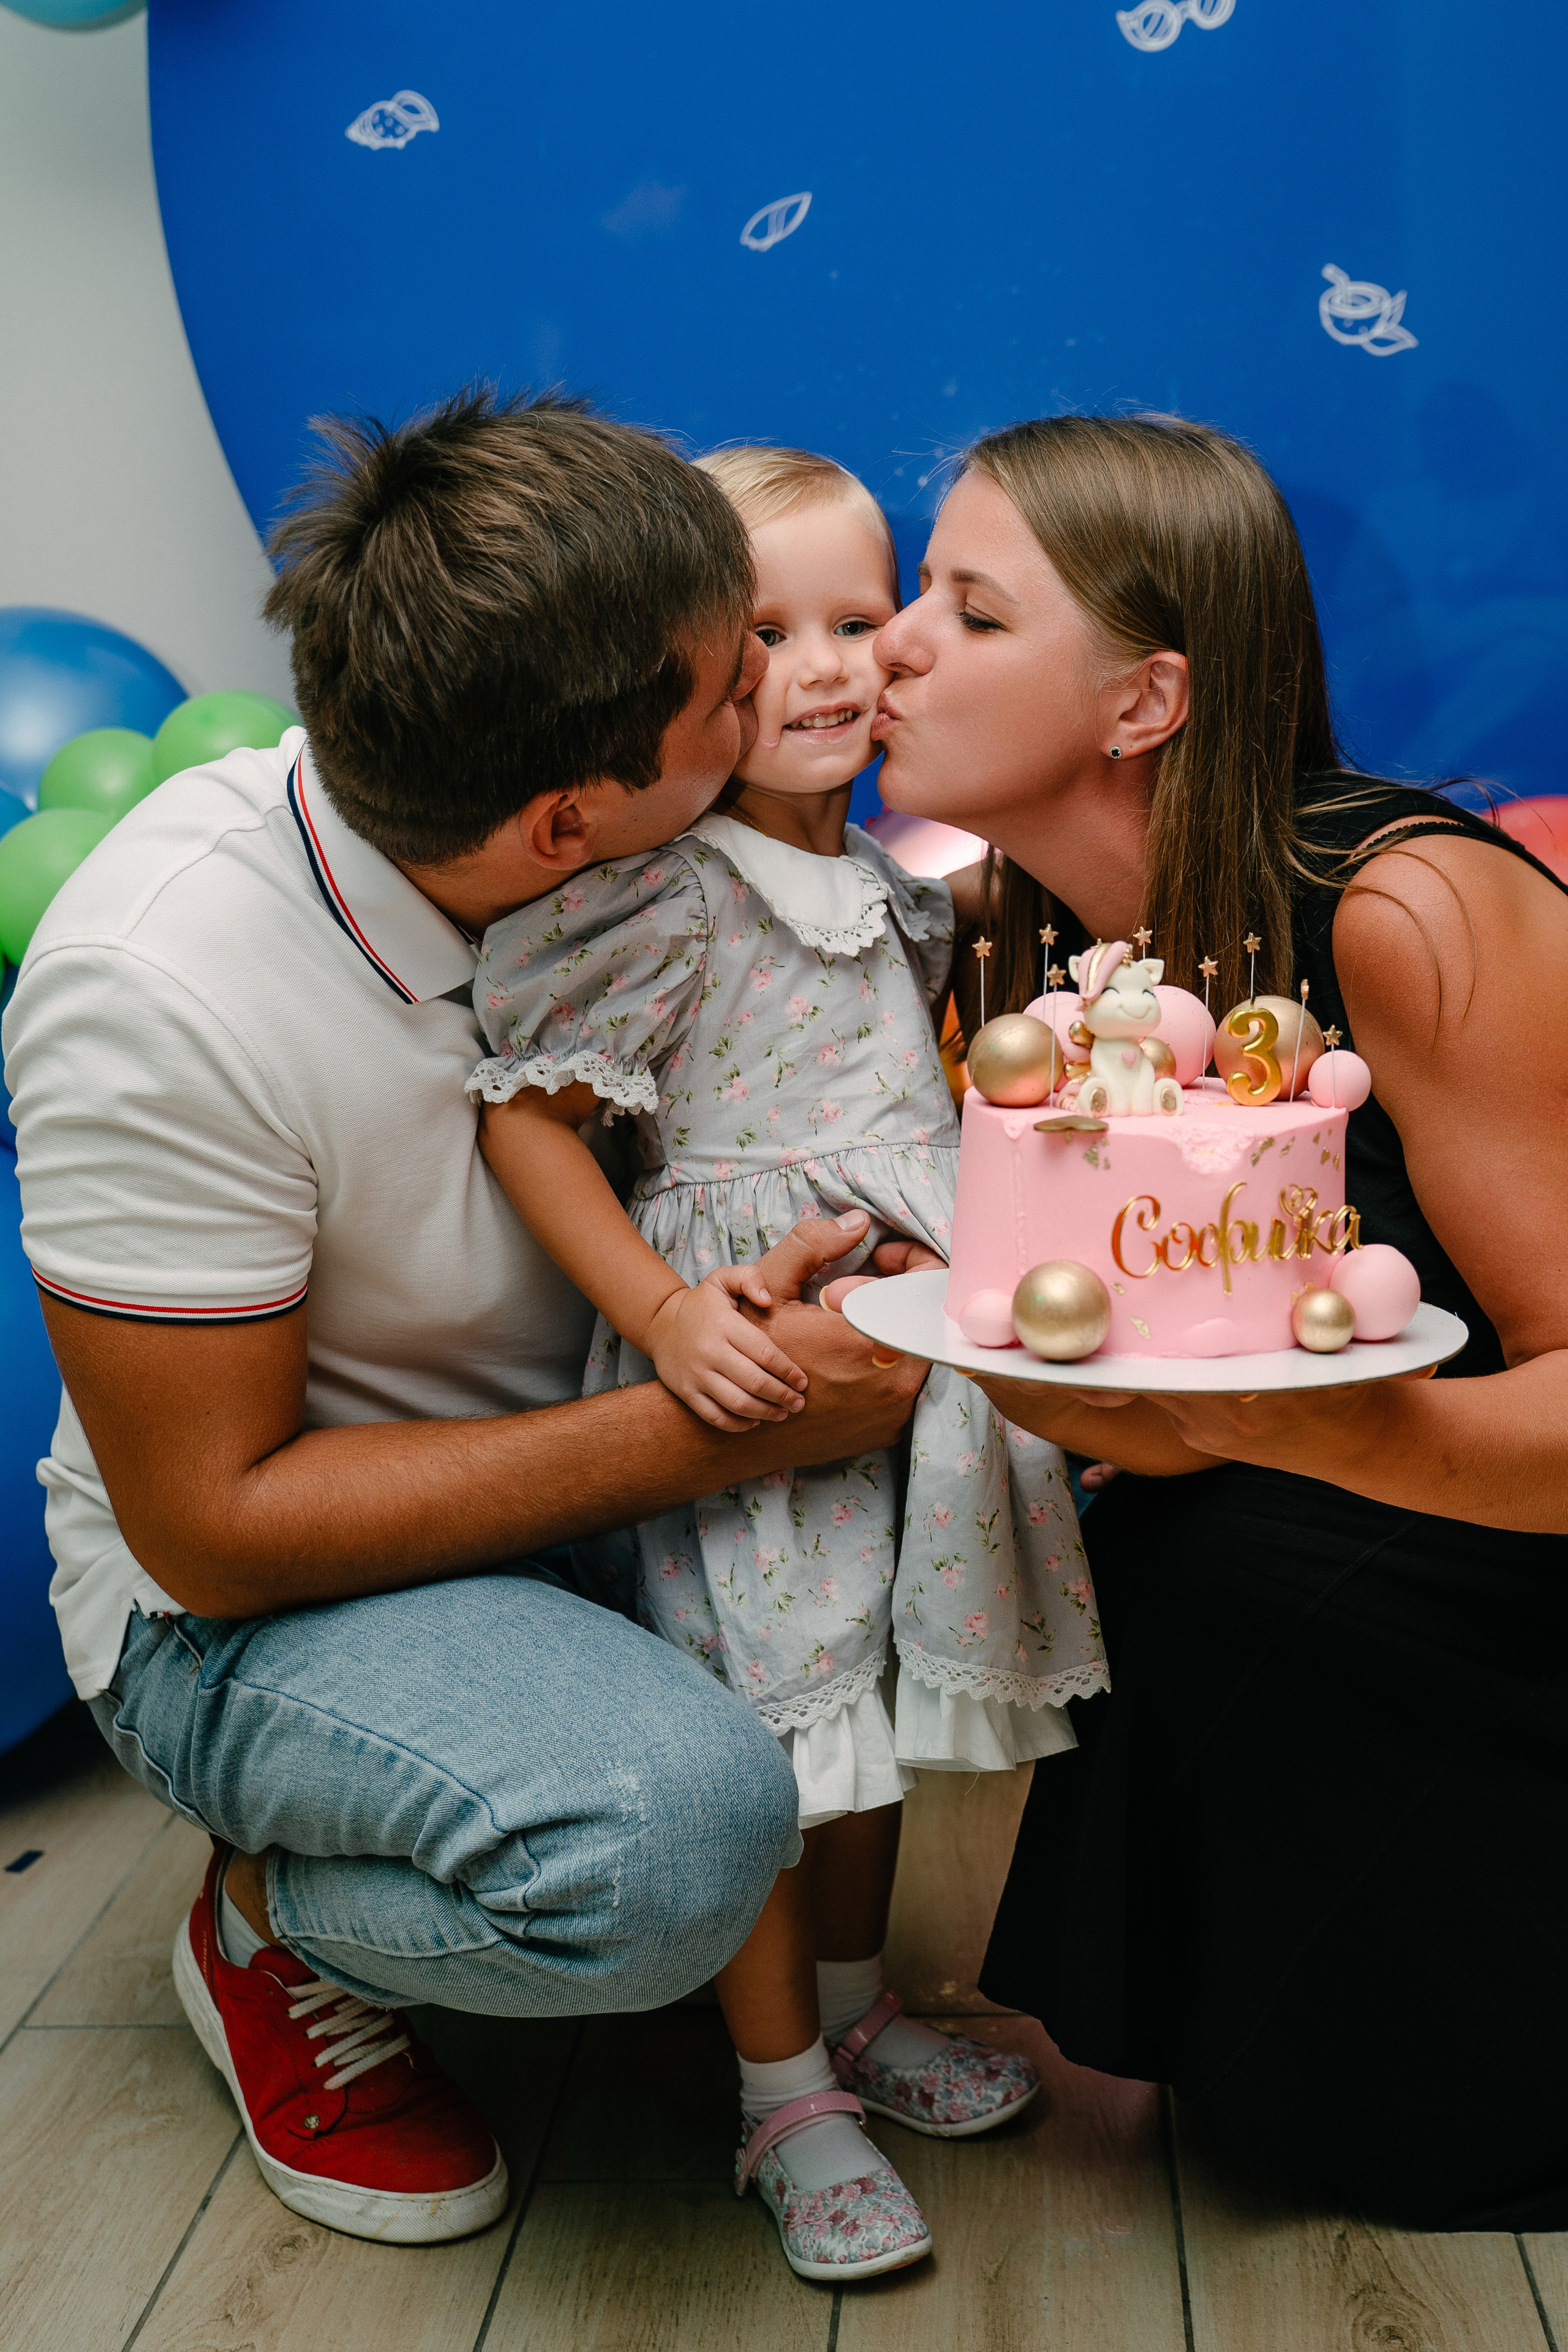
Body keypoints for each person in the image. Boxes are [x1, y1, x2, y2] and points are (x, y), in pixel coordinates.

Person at [2, 390, 932, 2248]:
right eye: (732, 682)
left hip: (580, 1488)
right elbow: (213, 1529)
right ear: (570, 816)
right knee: (675, 1843)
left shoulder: (636, 876)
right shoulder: (159, 992)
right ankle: (266, 1927)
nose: (784, 693)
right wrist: (733, 1411)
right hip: (268, 1599)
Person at [869, 411, 1568, 2230]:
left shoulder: (1408, 910)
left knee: (1233, 1560)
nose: (895, 645)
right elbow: (1142, 1387)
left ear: (1145, 701)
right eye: (913, 593)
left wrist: (1325, 1434)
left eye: (973, 612)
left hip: (1511, 1562)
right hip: (1323, 1524)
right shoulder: (1023, 951)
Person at [469, 447, 1094, 2280]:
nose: (820, 667)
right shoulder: (669, 900)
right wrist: (670, 1320)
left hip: (908, 1356)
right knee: (768, 1719)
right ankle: (780, 2095)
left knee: (865, 1699)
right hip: (750, 1362)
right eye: (761, 634)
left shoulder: (902, 897)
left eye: (854, 617)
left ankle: (850, 2007)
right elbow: (527, 1124)